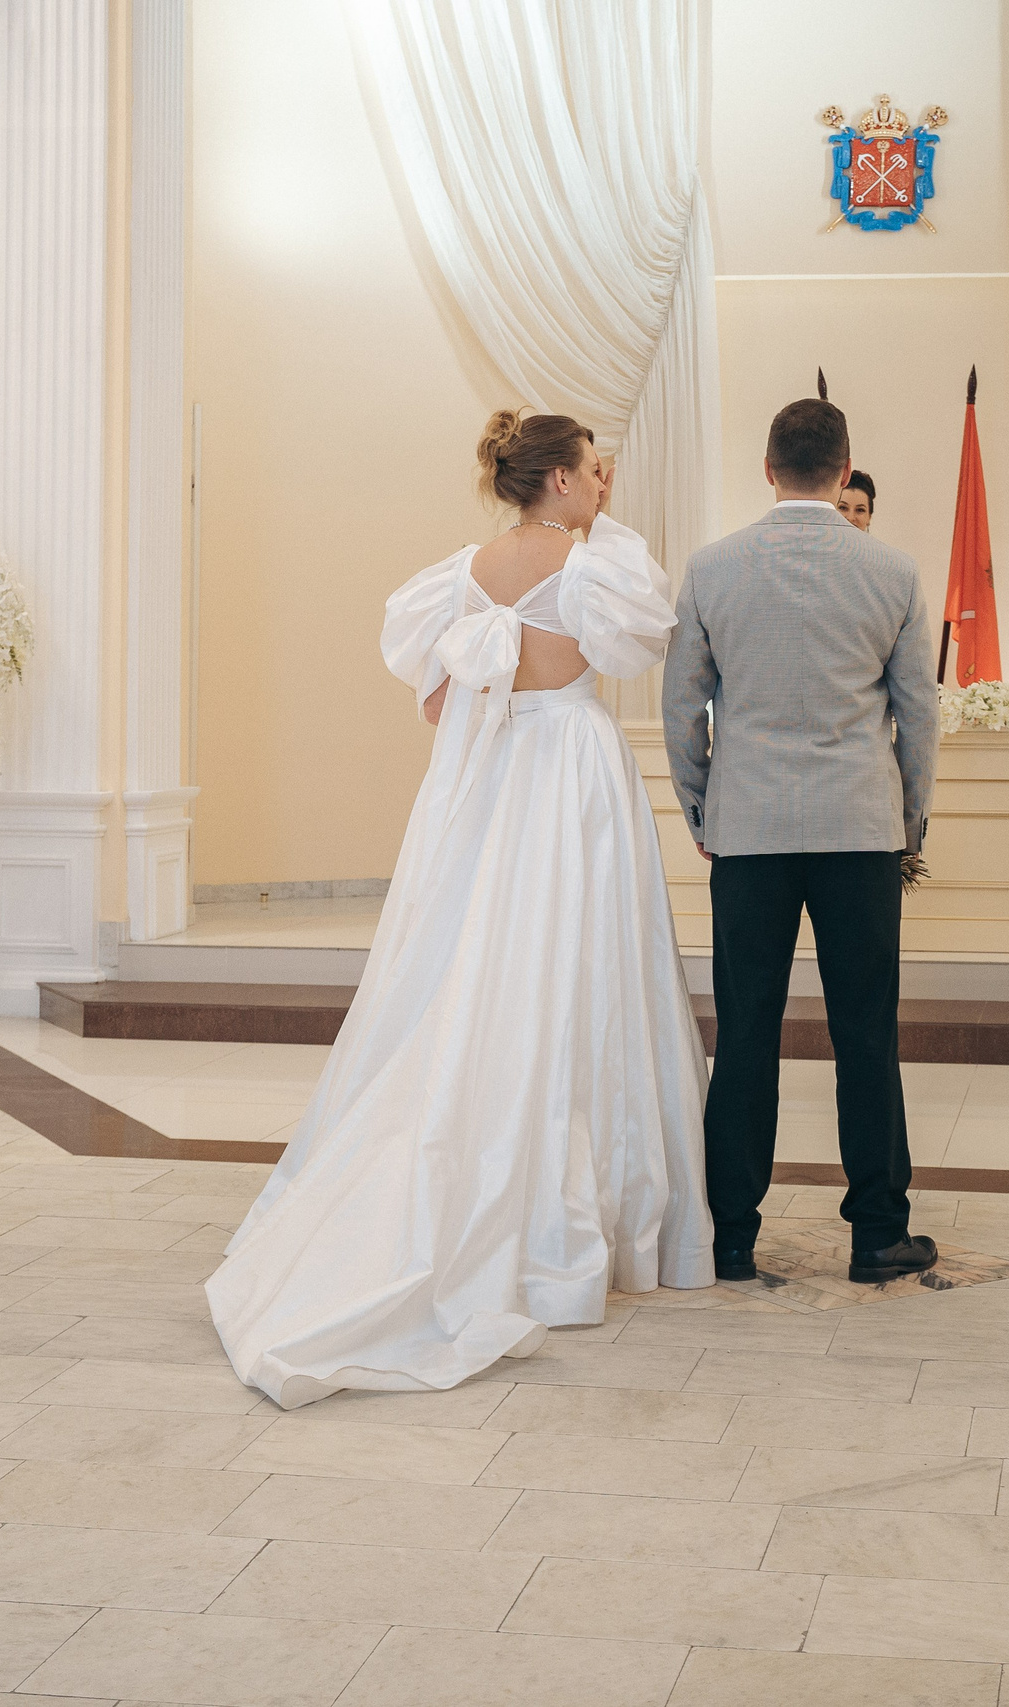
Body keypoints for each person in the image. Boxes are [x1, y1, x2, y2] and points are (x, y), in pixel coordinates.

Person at [207, 408, 714, 1409]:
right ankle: (586, 1216)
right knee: (583, 970)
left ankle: (466, 1170)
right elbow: (632, 651)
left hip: (485, 785)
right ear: (562, 480)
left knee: (471, 965)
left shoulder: (460, 572)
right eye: (591, 470)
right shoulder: (596, 565)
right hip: (569, 778)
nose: (601, 482)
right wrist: (602, 533)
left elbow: (440, 700)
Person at [661, 398, 939, 1285]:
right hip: (858, 829)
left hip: (749, 831)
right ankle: (878, 1232)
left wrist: (706, 809)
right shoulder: (890, 571)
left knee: (745, 1030)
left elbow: (681, 710)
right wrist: (909, 821)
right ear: (844, 465)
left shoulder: (711, 569)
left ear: (769, 468)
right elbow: (917, 716)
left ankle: (732, 1233)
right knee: (867, 1030)